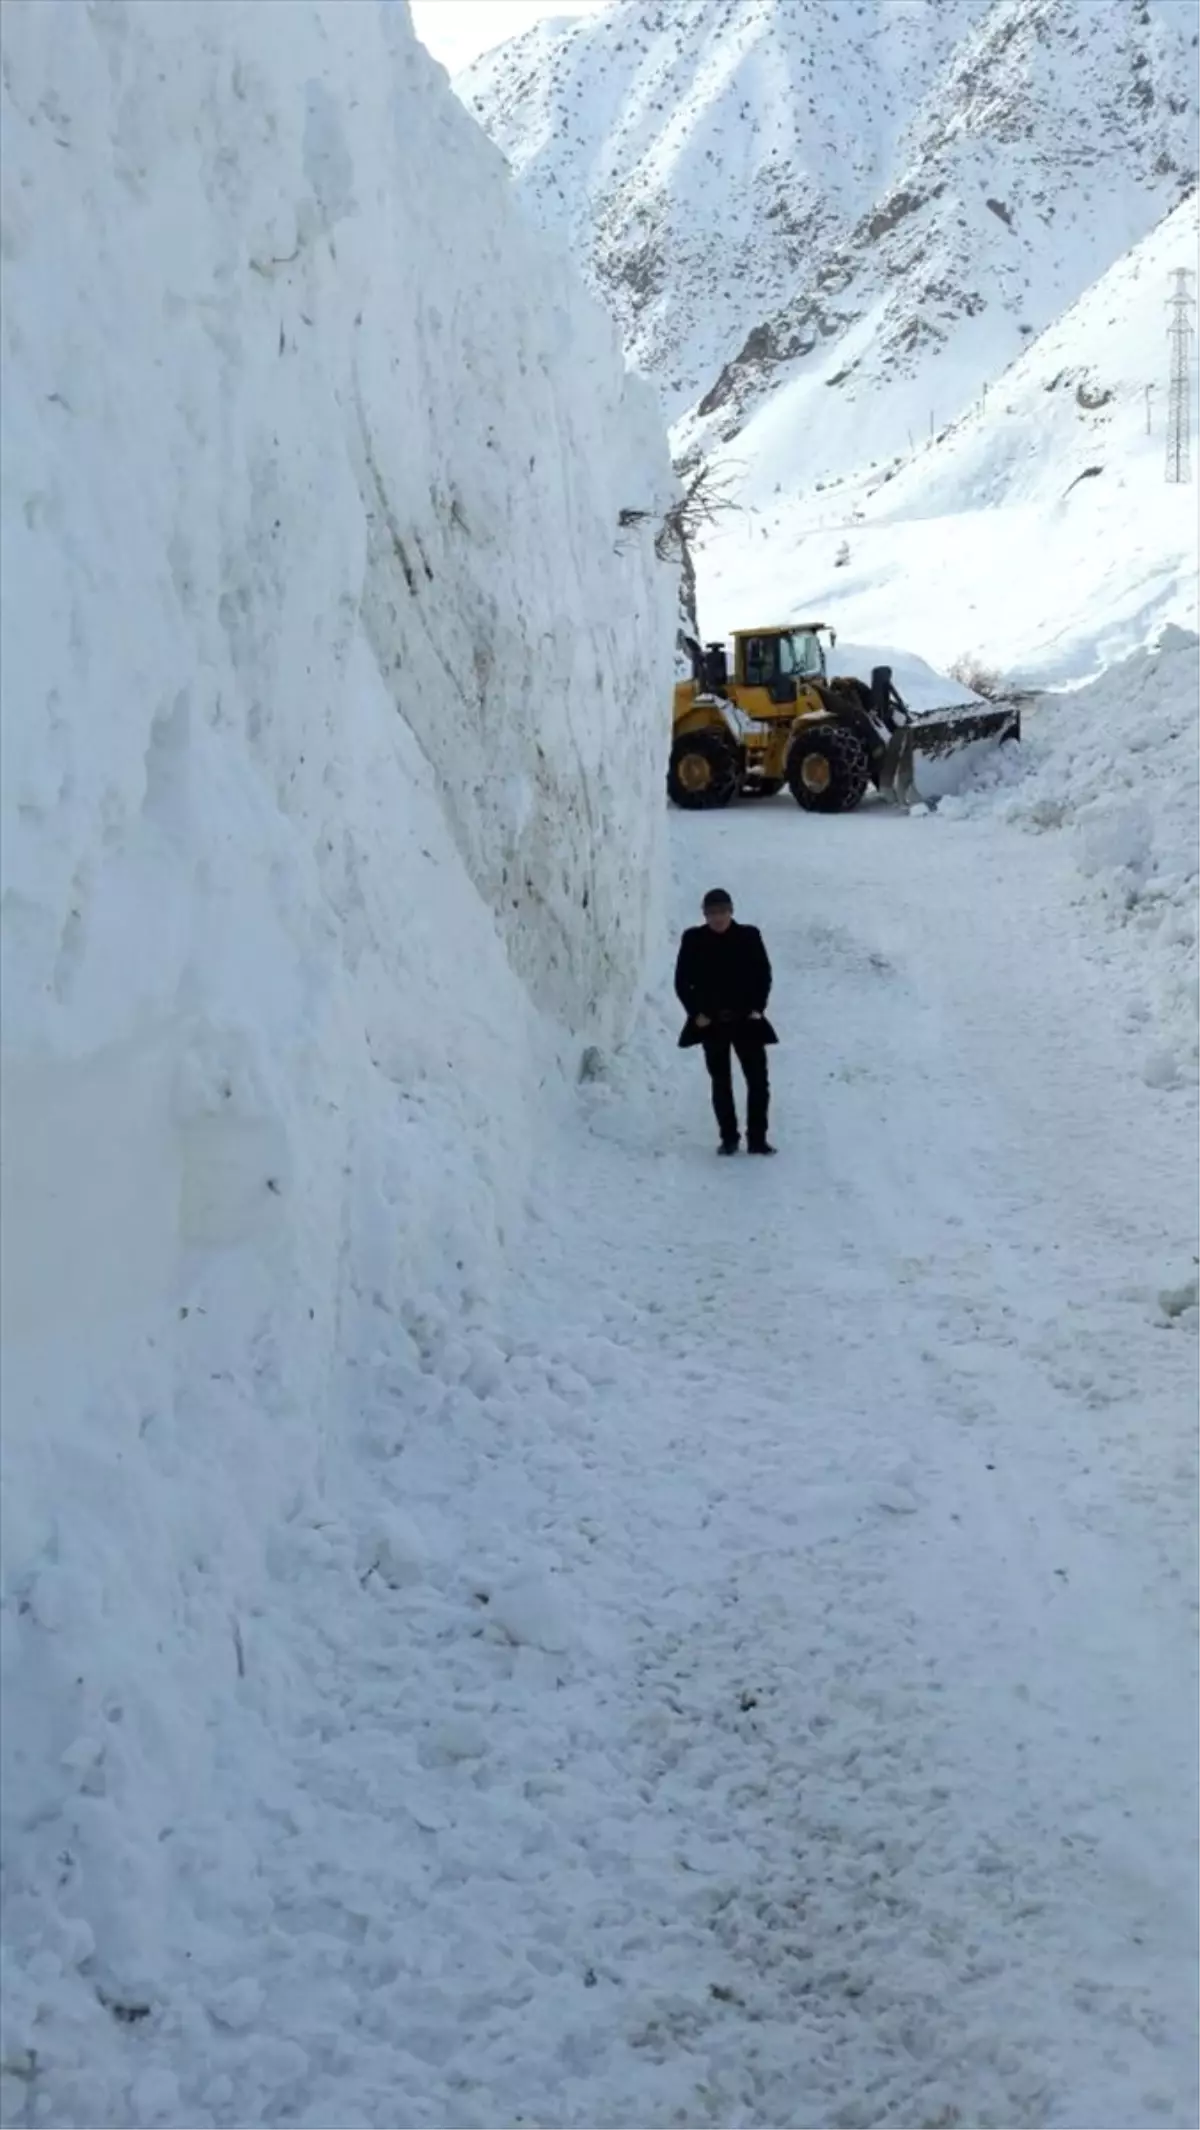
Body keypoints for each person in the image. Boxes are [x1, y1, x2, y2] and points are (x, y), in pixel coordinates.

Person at [675, 889, 777, 1155]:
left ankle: (757, 1139)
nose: (717, 918)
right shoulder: (693, 939)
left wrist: (757, 1008)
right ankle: (729, 1138)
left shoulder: (749, 936)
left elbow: (763, 974)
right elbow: (682, 981)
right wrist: (696, 1012)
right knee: (721, 1082)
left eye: (722, 912)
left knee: (758, 1082)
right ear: (704, 915)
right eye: (712, 913)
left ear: (731, 911)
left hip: (747, 1020)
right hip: (712, 1024)